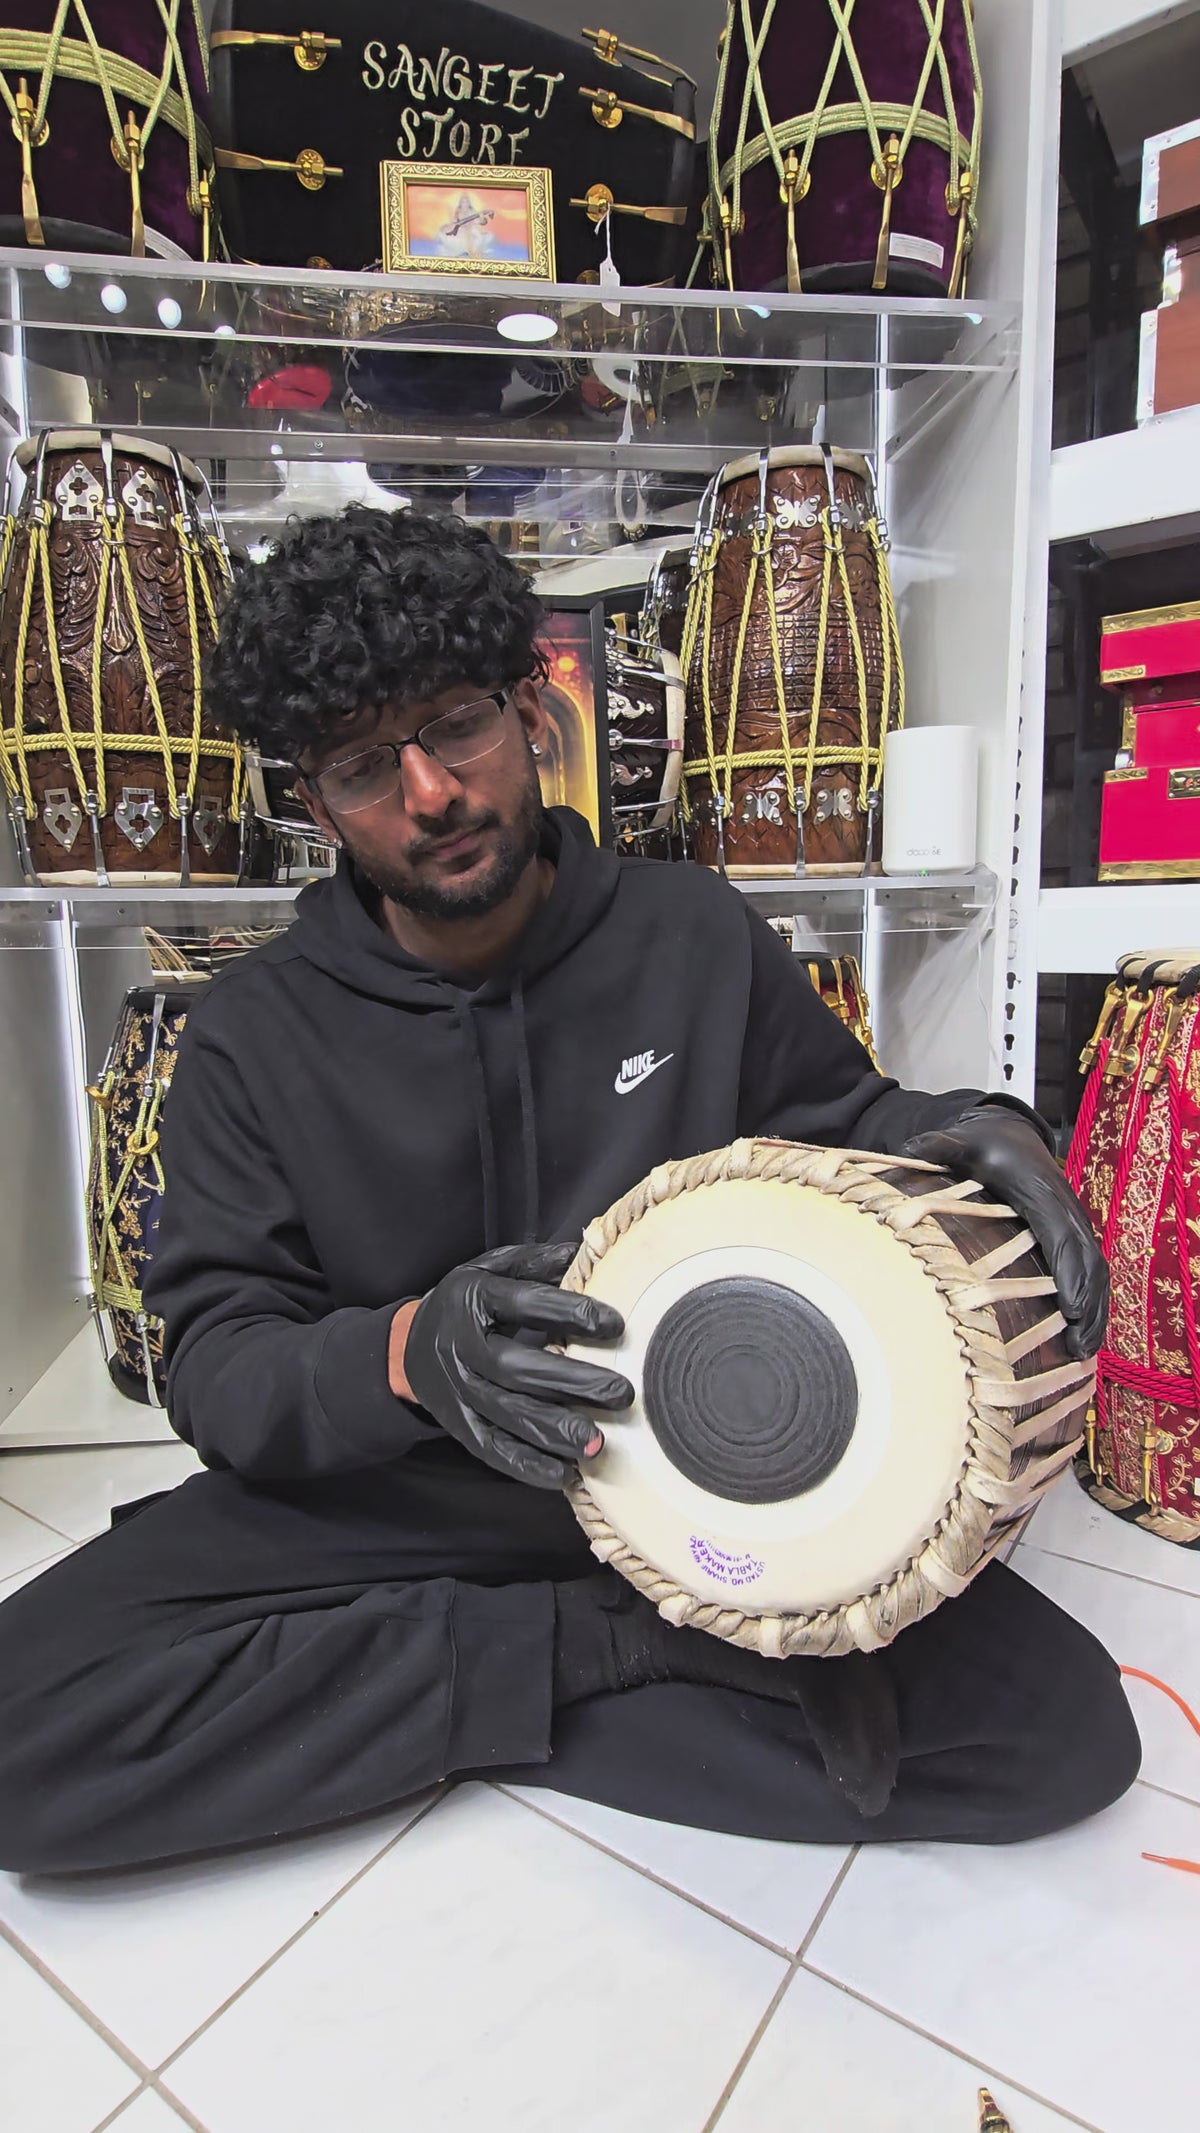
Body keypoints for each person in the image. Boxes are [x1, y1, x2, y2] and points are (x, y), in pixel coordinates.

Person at [0, 510, 1138, 1874]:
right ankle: (610, 1657)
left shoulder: (690, 930)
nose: (431, 793)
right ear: (314, 805)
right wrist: (408, 1351)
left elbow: (845, 1121)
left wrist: (976, 1126)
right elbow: (219, 1369)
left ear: (532, 714)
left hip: (685, 1471)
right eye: (364, 765)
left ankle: (472, 1688)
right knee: (20, 1744)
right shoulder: (251, 1031)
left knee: (1065, 1735)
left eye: (456, 725)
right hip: (406, 1493)